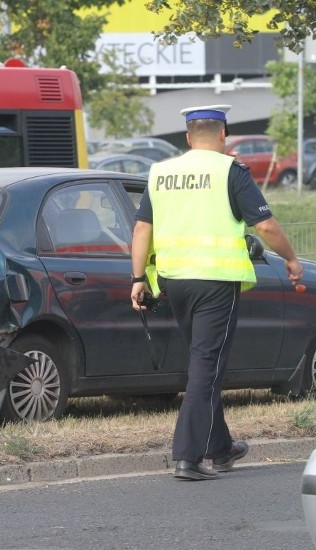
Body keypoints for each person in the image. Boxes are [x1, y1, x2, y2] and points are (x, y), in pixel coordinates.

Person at [130, 104, 303, 481]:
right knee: (206, 366)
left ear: (189, 137)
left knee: (204, 362)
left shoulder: (161, 172)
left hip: (174, 281)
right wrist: (290, 259)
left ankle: (220, 448)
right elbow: (267, 226)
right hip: (215, 282)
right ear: (223, 134)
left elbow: (142, 229)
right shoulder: (230, 171)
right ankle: (187, 456)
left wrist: (137, 278)